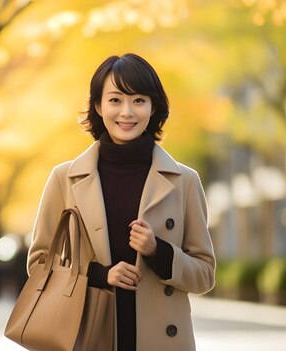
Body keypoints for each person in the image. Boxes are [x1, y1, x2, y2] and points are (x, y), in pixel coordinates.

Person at [27, 53, 216, 350]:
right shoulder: (65, 178)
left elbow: (205, 275)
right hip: (88, 333)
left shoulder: (185, 181)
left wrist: (159, 251)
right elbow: (39, 264)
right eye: (115, 100)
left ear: (154, 107)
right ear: (98, 106)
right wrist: (102, 275)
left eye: (139, 100)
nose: (127, 112)